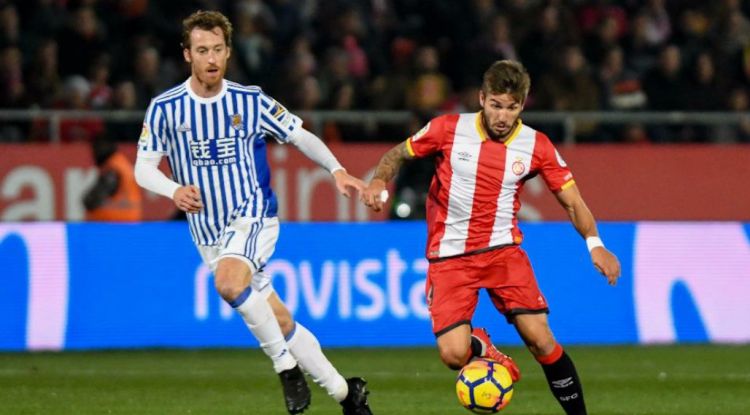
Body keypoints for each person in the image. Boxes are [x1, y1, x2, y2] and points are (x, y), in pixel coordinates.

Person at [133, 10, 373, 415]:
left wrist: (336, 170)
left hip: (254, 215)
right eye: (202, 50)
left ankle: (286, 368)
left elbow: (299, 134)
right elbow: (143, 166)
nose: (211, 58)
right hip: (208, 233)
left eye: (218, 50)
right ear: (187, 55)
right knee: (278, 320)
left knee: (228, 284)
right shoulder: (166, 108)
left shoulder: (250, 100)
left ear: (228, 52)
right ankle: (347, 395)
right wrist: (173, 190)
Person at [361, 60, 621, 415]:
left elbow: (573, 202)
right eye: (496, 105)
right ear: (482, 98)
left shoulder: (536, 146)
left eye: (511, 107)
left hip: (502, 252)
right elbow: (397, 154)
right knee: (453, 355)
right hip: (450, 256)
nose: (502, 115)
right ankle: (480, 344)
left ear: (522, 106)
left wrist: (596, 244)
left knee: (541, 339)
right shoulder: (447, 129)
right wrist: (379, 180)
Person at [83, 137, 142, 221]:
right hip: (130, 221)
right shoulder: (123, 165)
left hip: (113, 224)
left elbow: (92, 200)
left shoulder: (112, 169)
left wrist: (87, 201)